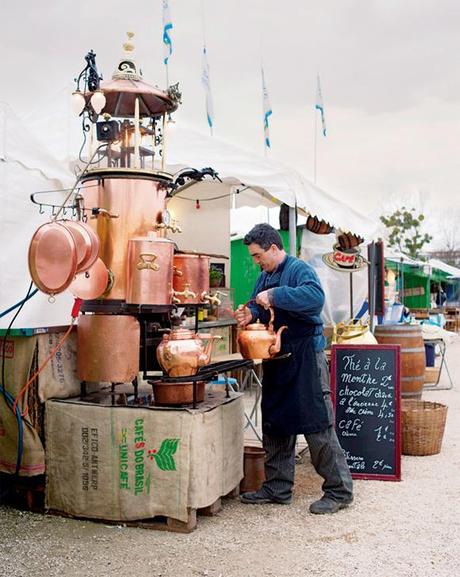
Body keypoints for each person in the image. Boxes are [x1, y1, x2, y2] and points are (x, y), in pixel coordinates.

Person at [234, 223, 353, 514]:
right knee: (275, 423)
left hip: (305, 357)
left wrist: (275, 296)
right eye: (253, 256)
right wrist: (250, 313)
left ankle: (339, 491)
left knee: (316, 424)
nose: (256, 261)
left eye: (258, 255)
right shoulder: (264, 277)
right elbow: (263, 311)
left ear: (274, 248)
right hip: (277, 357)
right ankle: (277, 488)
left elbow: (314, 300)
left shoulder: (300, 270)